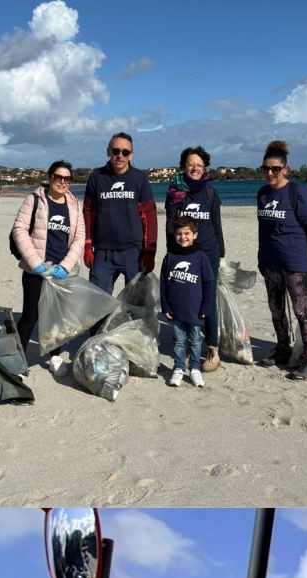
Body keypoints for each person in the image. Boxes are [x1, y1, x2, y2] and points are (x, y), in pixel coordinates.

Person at [255, 139, 307, 380]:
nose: (270, 173)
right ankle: (282, 348)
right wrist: (261, 257)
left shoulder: (297, 192)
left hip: (295, 262)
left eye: (275, 169)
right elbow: (263, 230)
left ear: (285, 169)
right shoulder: (262, 193)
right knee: (276, 310)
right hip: (270, 261)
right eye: (266, 168)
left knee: (301, 311)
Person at [10, 161, 86, 371]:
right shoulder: (34, 199)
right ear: (50, 178)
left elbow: (79, 237)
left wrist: (66, 266)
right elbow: (19, 230)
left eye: (67, 178)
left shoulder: (74, 204)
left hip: (61, 272)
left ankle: (55, 357)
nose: (62, 182)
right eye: (58, 177)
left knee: (57, 317)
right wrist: (36, 264)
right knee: (30, 316)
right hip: (36, 270)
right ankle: (17, 360)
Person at [163, 146, 224, 366]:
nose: (195, 168)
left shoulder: (210, 192)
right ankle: (188, 343)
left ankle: (212, 347)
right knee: (184, 297)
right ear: (184, 166)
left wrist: (221, 253)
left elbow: (216, 223)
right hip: (182, 254)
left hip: (208, 254)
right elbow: (170, 224)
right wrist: (172, 252)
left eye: (199, 165)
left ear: (204, 167)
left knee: (208, 299)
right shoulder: (175, 193)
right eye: (191, 164)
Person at [83, 132, 157, 296]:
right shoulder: (96, 177)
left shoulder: (139, 178)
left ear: (131, 155)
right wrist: (88, 246)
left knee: (136, 304)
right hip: (103, 252)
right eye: (116, 151)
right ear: (108, 152)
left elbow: (150, 215)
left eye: (125, 152)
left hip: (134, 252)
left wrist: (150, 252)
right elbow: (88, 212)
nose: (120, 155)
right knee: (98, 303)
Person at [160, 218, 213, 387]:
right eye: (179, 234)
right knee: (179, 341)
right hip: (175, 310)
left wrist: (206, 307)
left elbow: (209, 283)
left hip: (195, 310)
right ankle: (178, 368)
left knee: (196, 341)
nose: (183, 237)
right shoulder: (170, 257)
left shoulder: (201, 257)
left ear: (195, 235)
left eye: (187, 233)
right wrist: (165, 306)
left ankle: (195, 369)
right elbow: (163, 284)